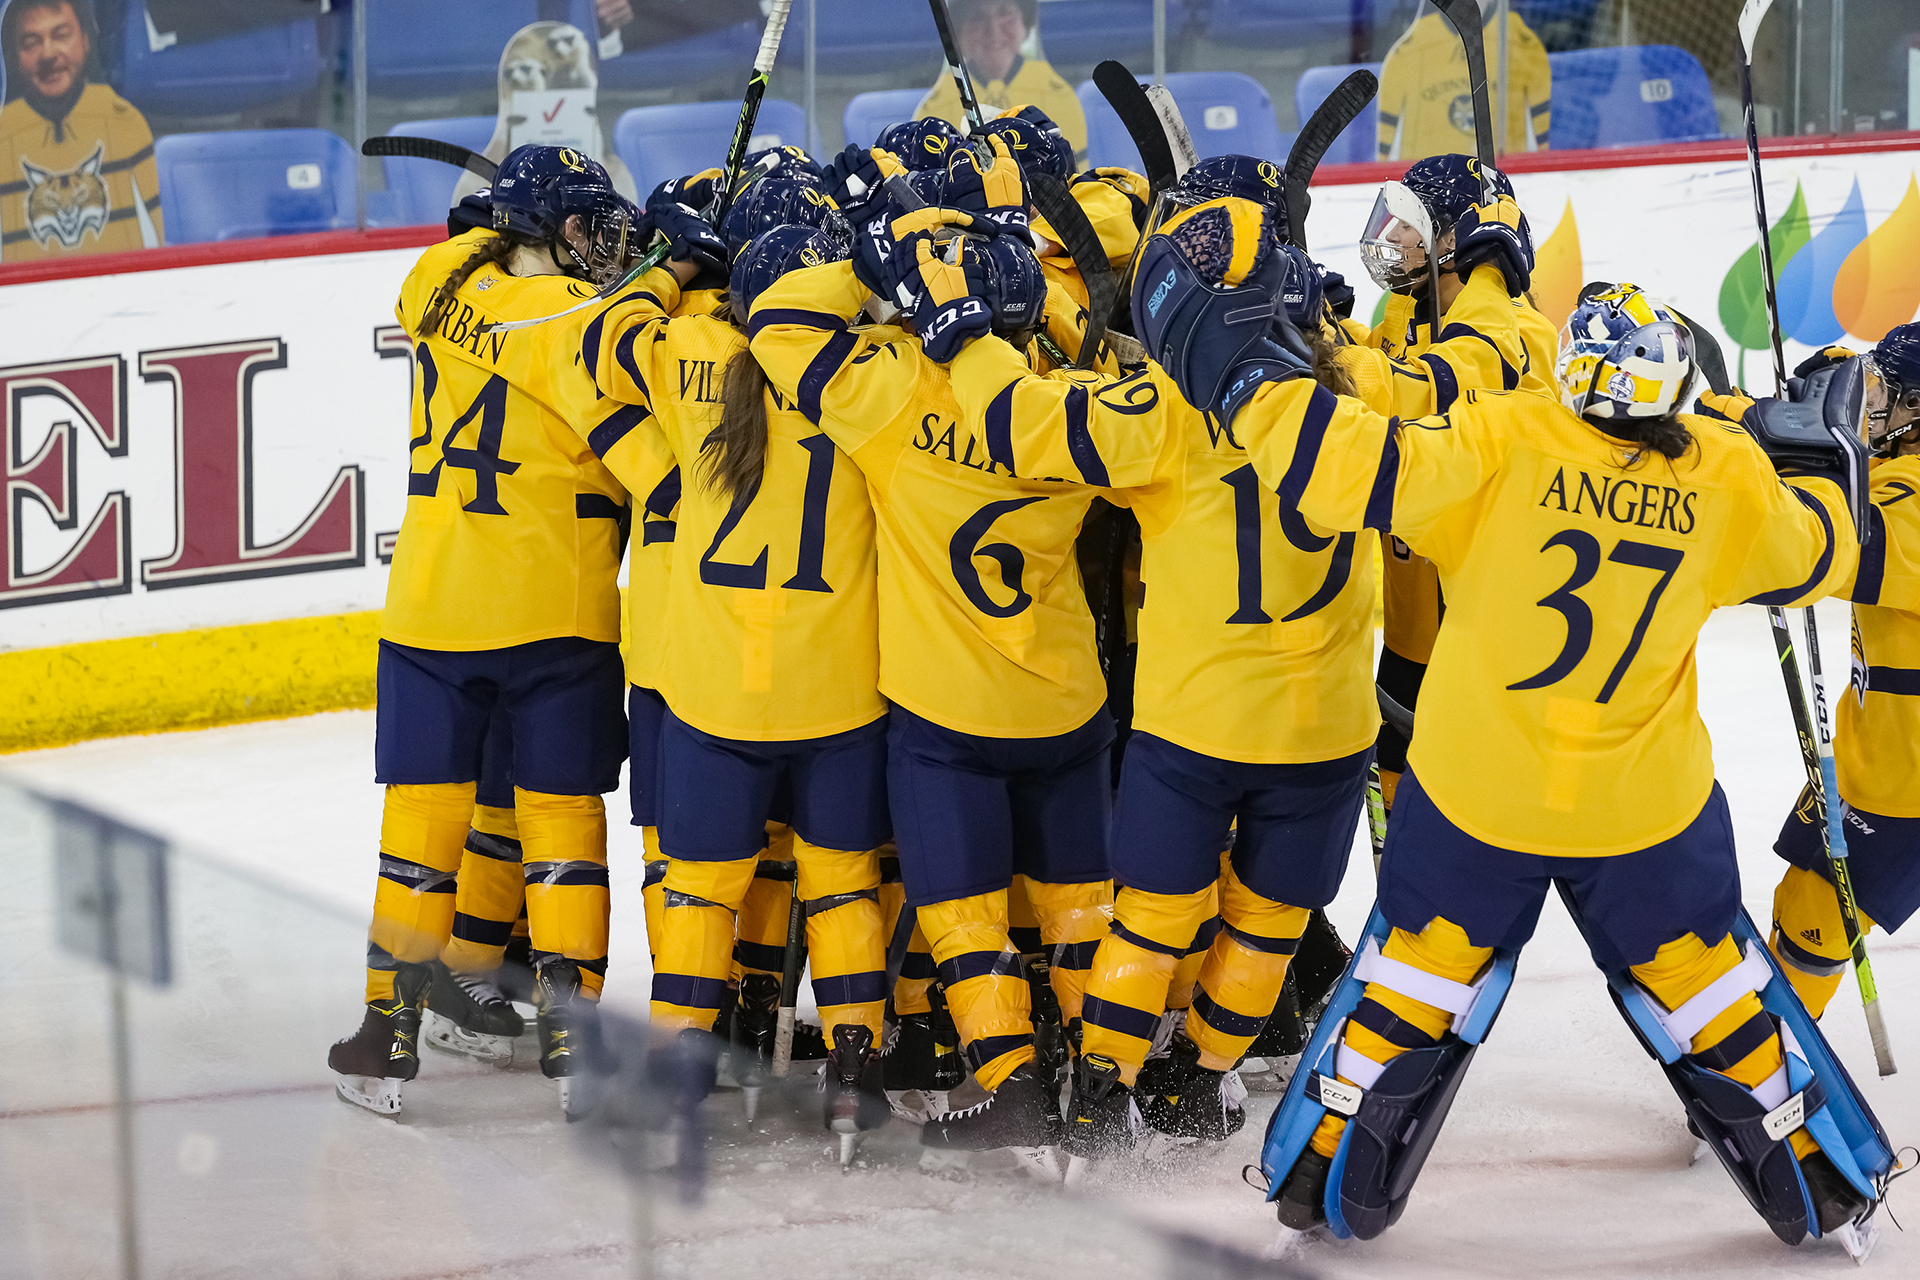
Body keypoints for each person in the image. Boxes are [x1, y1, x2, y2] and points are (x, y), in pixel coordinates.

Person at [1132, 203, 1881, 1247]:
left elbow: (1343, 465)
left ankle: (1318, 1182)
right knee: (1712, 989)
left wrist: (1246, 378)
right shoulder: (1723, 477)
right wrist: (1821, 449)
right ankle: (1822, 1181)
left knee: (1410, 986)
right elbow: (1827, 552)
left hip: (1476, 794)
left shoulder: (1507, 436)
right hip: (1644, 811)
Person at [926, 157, 1535, 1173]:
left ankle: (1099, 1090)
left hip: (1195, 722)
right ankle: (1200, 1075)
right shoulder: (1363, 379)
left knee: (1157, 915)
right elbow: (1484, 376)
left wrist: (974, 334)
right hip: (1328, 726)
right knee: (1269, 919)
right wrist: (1481, 280)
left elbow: (1022, 423)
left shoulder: (1162, 403)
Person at [748, 138, 1113, 1179]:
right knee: (1079, 903)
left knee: (961, 912)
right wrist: (1027, 296)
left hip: (948, 717)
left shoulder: (890, 392)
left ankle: (1012, 1083)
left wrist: (878, 260)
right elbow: (1107, 339)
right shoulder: (1073, 398)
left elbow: (776, 321)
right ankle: (1101, 1087)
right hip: (1065, 702)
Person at [326, 146, 637, 1121]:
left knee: (415, 839)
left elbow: (464, 270)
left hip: (434, 607)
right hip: (558, 611)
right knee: (564, 833)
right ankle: (574, 1046)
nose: (603, 244)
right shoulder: (588, 329)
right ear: (552, 233)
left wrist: (508, 227)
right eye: (586, 226)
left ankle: (386, 1037)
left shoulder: (432, 282)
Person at [1353, 153, 1559, 820]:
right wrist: (1328, 334)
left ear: (1451, 238)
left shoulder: (1519, 329)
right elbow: (1391, 384)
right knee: (1397, 803)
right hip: (1411, 624)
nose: (1393, 239)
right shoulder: (1400, 313)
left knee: (1480, 825)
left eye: (1410, 227)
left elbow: (1481, 408)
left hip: (1480, 631)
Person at [1757, 327, 1920, 1018]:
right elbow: (1846, 392)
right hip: (1874, 752)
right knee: (1801, 905)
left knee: (1813, 920)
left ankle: (1769, 1073)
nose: (1872, 406)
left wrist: (1766, 441)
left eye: (1890, 397)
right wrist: (1829, 389)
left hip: (1903, 778)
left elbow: (1821, 551)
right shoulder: (1899, 463)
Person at [0, 0, 161, 260]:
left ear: (86, 41)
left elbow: (164, 246)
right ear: (14, 57)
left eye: (61, 36)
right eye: (31, 43)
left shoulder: (126, 122)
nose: (48, 54)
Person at [914, 0, 1088, 165]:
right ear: (958, 35)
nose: (993, 31)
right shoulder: (933, 111)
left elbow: (1078, 184)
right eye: (977, 18)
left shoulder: (1060, 98)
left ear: (1026, 26)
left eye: (1005, 12)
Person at [1373, 0, 1550, 161]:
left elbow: (1544, 159)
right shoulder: (1405, 56)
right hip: (1427, 187)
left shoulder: (1525, 48)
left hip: (1500, 187)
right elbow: (1383, 162)